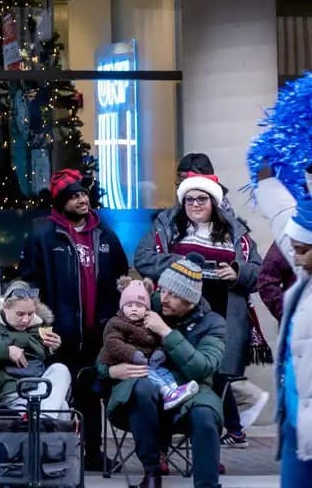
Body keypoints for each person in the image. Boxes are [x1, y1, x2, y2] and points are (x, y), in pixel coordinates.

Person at [133, 172, 263, 447]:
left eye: (201, 198)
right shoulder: (168, 227)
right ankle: (165, 447)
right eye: (189, 199)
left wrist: (237, 272)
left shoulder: (236, 233)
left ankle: (209, 444)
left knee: (215, 379)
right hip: (177, 315)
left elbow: (260, 272)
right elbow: (143, 258)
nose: (195, 204)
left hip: (223, 313)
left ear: (214, 201)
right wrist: (180, 266)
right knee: (173, 373)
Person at [18, 168, 129, 466]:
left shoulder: (104, 233)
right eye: (74, 195)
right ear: (60, 201)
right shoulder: (43, 234)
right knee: (55, 394)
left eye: (83, 193)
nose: (82, 199)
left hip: (98, 330)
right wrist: (39, 323)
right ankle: (55, 455)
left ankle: (93, 454)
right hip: (58, 332)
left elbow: (122, 277)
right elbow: (28, 285)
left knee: (91, 393)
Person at [99, 254, 225, 488]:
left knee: (205, 413)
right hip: (144, 397)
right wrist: (110, 371)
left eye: (173, 294)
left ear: (190, 300)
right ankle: (152, 474)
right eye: (163, 289)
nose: (162, 297)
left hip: (191, 391)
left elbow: (203, 368)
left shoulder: (213, 323)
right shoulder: (146, 305)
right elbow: (109, 345)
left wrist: (166, 333)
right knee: (142, 387)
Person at [0, 282, 71, 415]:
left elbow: (43, 357)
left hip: (39, 384)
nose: (25, 320)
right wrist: (6, 351)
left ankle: (40, 419)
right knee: (62, 408)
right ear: (5, 307)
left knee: (61, 369)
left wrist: (52, 348)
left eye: (30, 314)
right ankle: (42, 420)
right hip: (12, 390)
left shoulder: (38, 325)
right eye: (20, 314)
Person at [101, 280, 200, 409]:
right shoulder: (116, 323)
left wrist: (159, 352)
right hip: (127, 361)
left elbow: (158, 341)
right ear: (122, 306)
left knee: (163, 371)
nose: (134, 309)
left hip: (148, 360)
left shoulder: (150, 322)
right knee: (149, 374)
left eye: (139, 306)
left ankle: (175, 389)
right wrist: (133, 354)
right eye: (129, 305)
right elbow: (113, 343)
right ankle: (167, 393)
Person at [276, 199, 312, 485]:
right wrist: (264, 174)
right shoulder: (301, 286)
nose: (296, 259)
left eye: (302, 251)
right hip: (293, 418)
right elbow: (278, 213)